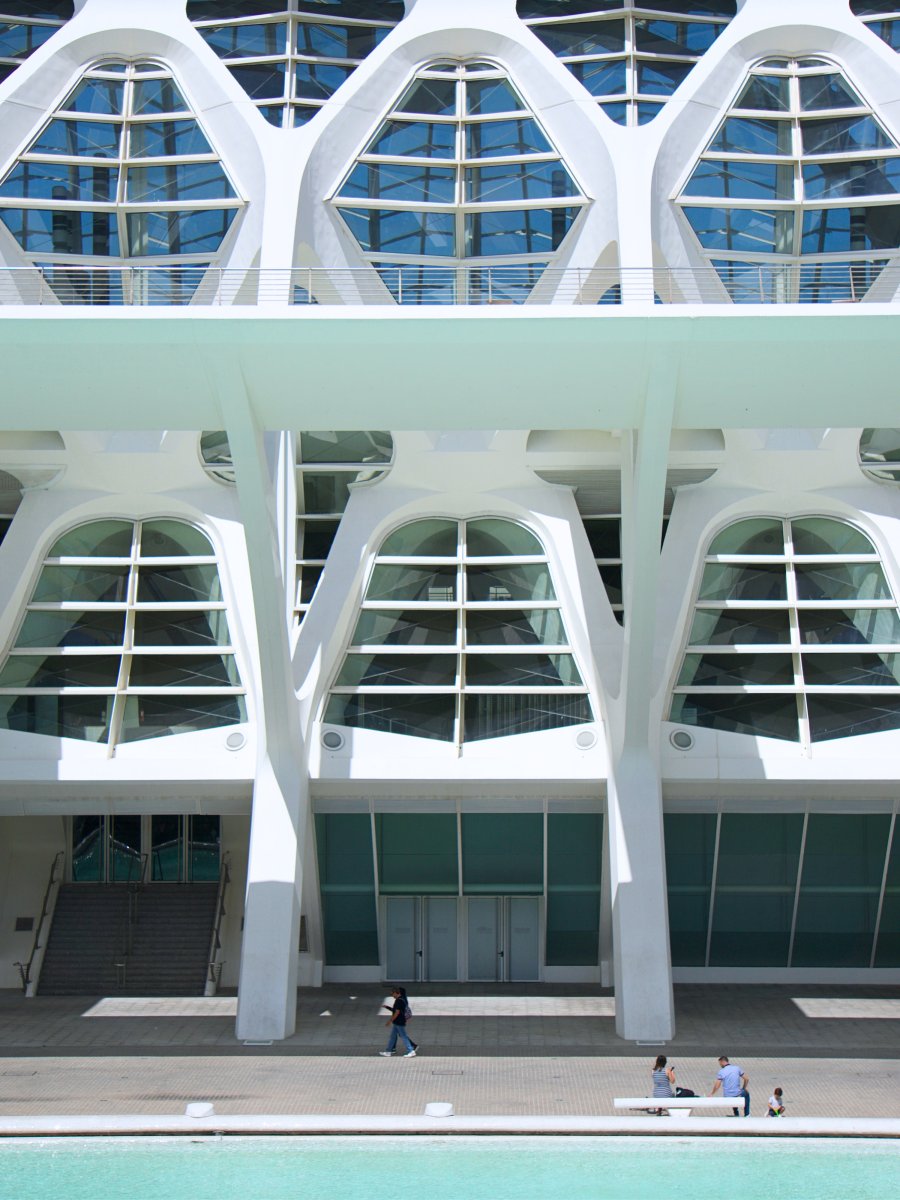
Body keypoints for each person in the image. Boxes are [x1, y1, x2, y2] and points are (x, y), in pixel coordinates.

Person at [378, 987, 416, 1058]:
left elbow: (397, 1012)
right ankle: (388, 1051)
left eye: (392, 993)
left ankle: (411, 1051)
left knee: (404, 1036)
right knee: (392, 1037)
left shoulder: (399, 1001)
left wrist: (390, 1021)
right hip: (398, 1022)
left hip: (399, 1022)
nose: (392, 995)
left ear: (397, 993)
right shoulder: (402, 1000)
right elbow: (395, 1010)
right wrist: (387, 1007)